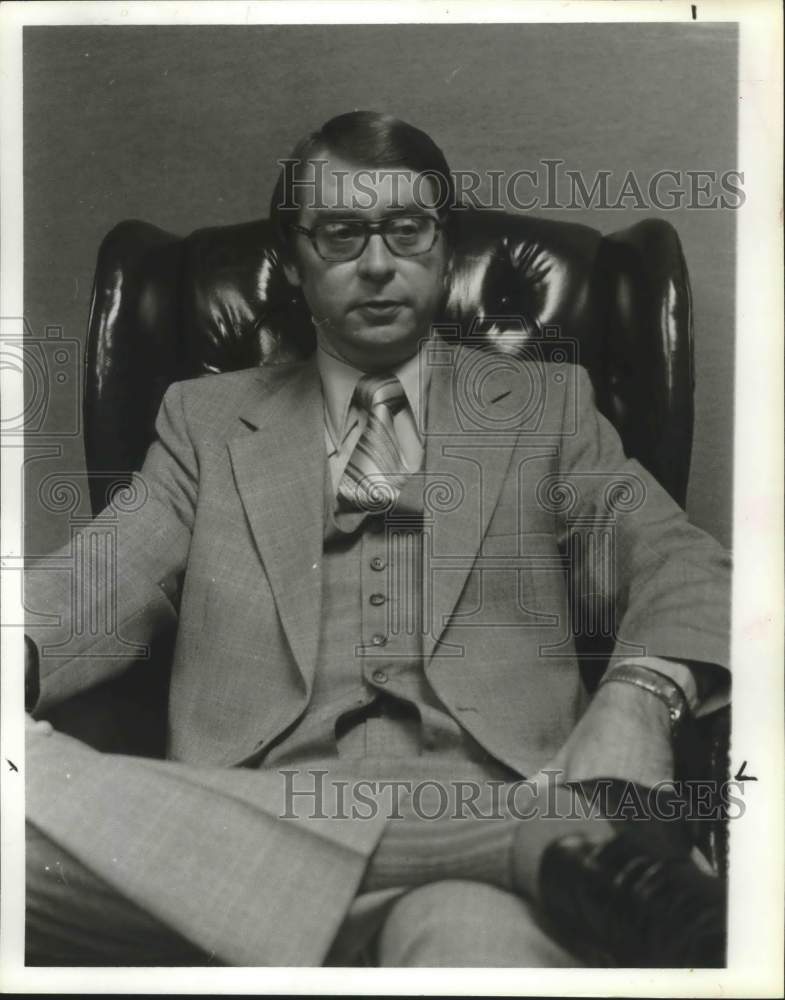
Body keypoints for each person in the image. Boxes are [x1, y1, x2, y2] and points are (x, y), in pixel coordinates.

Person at [23, 111, 731, 967]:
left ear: (443, 244)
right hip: (226, 835)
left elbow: (683, 563)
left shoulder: (544, 409)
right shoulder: (204, 422)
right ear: (295, 255)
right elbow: (101, 579)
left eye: (407, 228)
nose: (377, 262)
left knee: (475, 953)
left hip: (471, 843)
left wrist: (638, 695)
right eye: (341, 232)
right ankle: (538, 842)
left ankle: (505, 847)